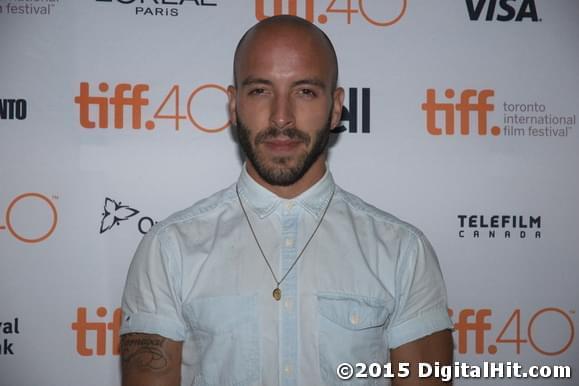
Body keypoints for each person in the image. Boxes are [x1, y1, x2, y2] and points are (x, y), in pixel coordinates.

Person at [120, 15, 453, 386]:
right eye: (260, 90)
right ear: (233, 105)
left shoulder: (403, 252)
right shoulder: (169, 250)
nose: (281, 117)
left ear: (336, 106)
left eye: (305, 91)